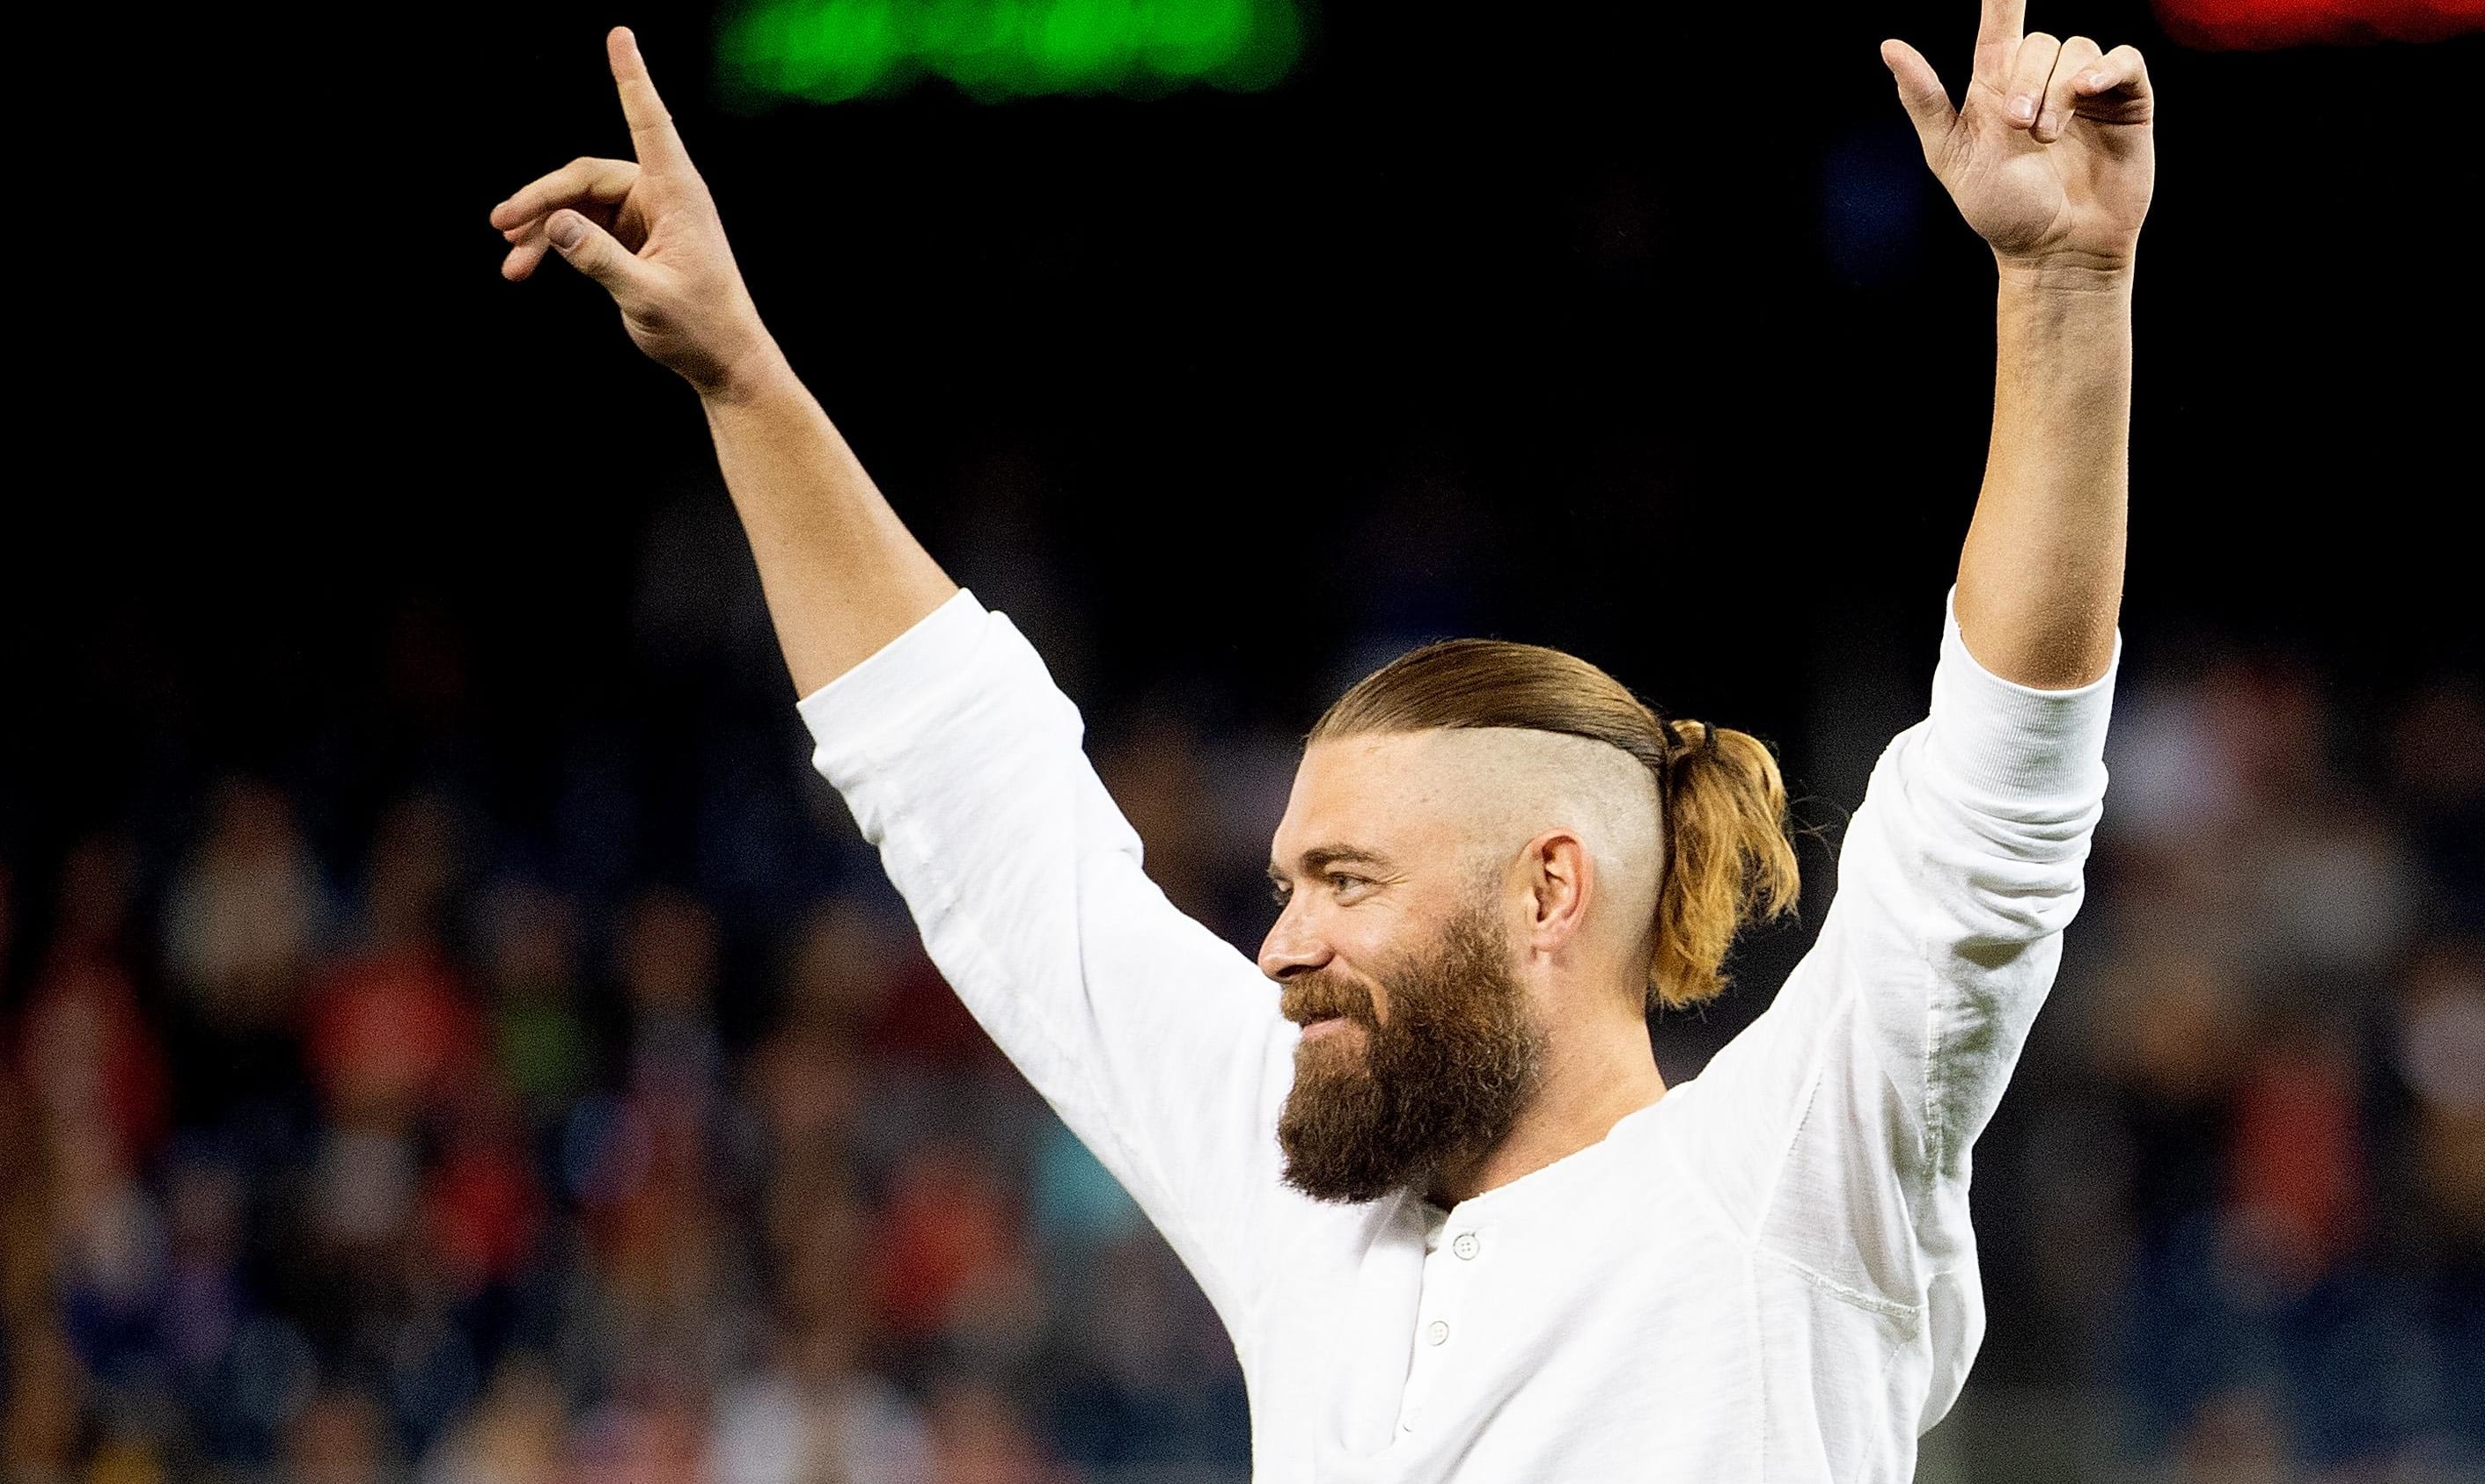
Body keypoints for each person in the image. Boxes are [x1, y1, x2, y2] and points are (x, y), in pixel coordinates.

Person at [489, 6, 2152, 1475]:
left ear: (1548, 890)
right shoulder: (1310, 1202)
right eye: (1291, 882)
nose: (1280, 942)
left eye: (1344, 879)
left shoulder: (1791, 1177)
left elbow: (1997, 807)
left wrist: (2066, 288)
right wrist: (739, 377)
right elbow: (976, 800)